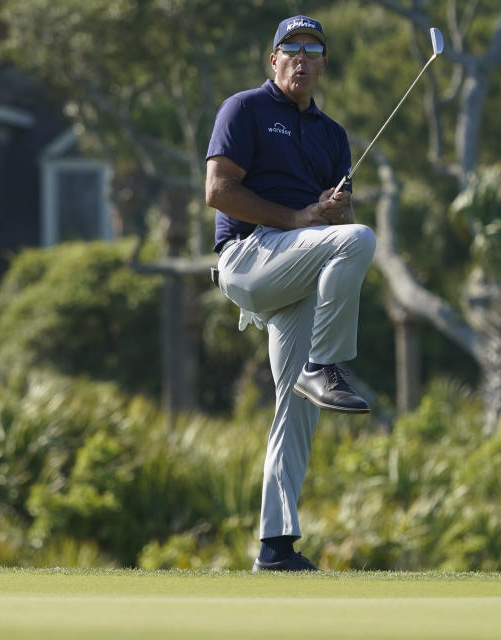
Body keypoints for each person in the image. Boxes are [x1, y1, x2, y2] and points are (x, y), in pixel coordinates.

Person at [205, 15, 376, 572]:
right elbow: (218, 191)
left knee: (296, 409)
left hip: (298, 269)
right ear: (272, 60)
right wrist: (306, 217)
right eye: (290, 48)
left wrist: (332, 212)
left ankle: (275, 548)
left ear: (324, 64)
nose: (301, 57)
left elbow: (340, 222)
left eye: (313, 49)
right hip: (249, 260)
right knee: (358, 241)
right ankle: (325, 363)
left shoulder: (332, 134)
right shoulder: (245, 109)